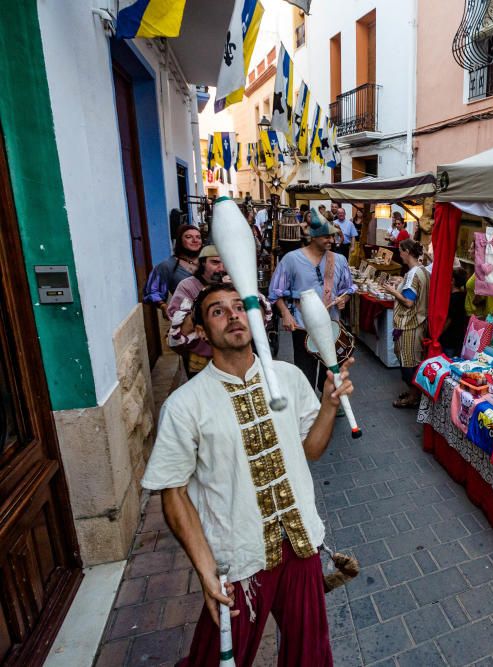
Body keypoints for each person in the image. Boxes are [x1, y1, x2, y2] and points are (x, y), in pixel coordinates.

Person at [142, 281, 353, 667]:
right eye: (218, 311)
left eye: (240, 307)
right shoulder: (184, 405)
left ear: (254, 318)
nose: (233, 315)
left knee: (311, 654)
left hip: (301, 541)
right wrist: (206, 571)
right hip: (238, 558)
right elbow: (172, 493)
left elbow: (310, 451)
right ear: (203, 332)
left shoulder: (288, 377)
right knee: (218, 658)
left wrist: (327, 406)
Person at [269, 210, 355, 390]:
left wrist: (343, 299)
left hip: (330, 325)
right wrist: (285, 313)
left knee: (329, 375)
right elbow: (276, 292)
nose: (331, 240)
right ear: (313, 236)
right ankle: (308, 412)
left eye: (332, 236)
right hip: (302, 327)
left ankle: (328, 406)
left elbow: (348, 288)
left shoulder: (339, 259)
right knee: (305, 374)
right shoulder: (291, 259)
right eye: (326, 236)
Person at [167, 245, 271, 377]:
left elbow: (261, 317)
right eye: (215, 262)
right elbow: (182, 330)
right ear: (203, 263)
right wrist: (207, 295)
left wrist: (241, 290)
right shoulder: (187, 286)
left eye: (226, 263)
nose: (221, 268)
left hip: (238, 355)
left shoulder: (237, 283)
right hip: (202, 359)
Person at [384, 239, 428, 408]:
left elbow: (408, 302)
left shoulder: (413, 274)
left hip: (409, 325)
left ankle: (413, 396)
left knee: (408, 363)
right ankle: (413, 392)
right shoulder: (422, 270)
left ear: (408, 252)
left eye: (401, 251)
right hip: (417, 323)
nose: (399, 254)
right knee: (412, 361)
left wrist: (392, 291)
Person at [144, 224, 203, 314]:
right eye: (188, 237)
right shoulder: (167, 266)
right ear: (180, 241)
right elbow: (152, 291)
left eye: (198, 237)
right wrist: (163, 306)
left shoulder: (209, 262)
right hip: (187, 318)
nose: (195, 240)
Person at [440, 268, 470, 358]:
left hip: (449, 339)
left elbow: (449, 320)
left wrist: (438, 333)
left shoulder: (453, 298)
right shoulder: (463, 295)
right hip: (458, 337)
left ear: (452, 280)